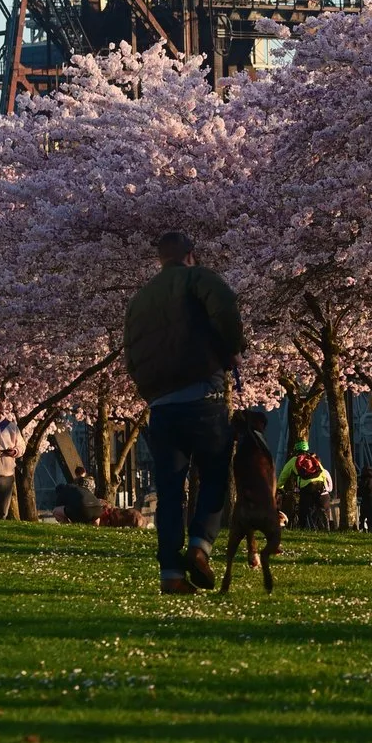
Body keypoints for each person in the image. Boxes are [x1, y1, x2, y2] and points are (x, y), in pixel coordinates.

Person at [122, 229, 248, 595]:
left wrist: (150, 388)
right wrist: (232, 349)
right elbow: (224, 307)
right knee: (214, 476)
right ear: (190, 254)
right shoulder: (198, 277)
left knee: (169, 491)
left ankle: (171, 576)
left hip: (161, 407)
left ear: (160, 260)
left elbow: (131, 353)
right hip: (202, 397)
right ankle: (200, 547)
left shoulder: (139, 300)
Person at [280, 442, 333, 529]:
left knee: (303, 509)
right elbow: (322, 472)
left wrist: (280, 486)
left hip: (307, 487)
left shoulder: (294, 460)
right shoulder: (313, 459)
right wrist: (324, 486)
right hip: (320, 485)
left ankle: (303, 527)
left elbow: (284, 474)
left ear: (296, 450)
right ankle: (323, 524)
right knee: (318, 505)